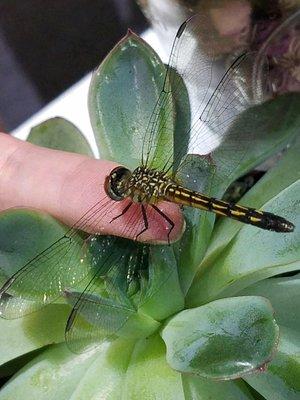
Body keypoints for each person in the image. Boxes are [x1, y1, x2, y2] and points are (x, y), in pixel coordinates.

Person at [0, 132, 184, 243]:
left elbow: (143, 224)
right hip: (168, 188)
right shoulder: (143, 181)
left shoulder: (136, 193)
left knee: (147, 226)